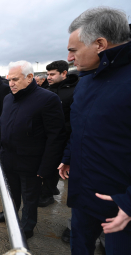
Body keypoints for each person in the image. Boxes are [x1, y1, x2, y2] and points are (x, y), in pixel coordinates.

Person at [58, 7, 131, 254]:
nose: (70, 59)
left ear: (100, 44)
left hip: (126, 209)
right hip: (85, 196)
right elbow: (82, 125)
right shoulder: (87, 80)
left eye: (73, 50)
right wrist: (68, 157)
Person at [0, 61, 65, 240]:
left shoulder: (48, 99)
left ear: (30, 77)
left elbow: (56, 136)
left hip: (31, 163)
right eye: (9, 80)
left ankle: (27, 227)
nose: (11, 84)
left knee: (30, 198)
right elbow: (2, 127)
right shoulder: (8, 98)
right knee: (11, 193)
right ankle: (9, 214)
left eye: (15, 79)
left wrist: (46, 168)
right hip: (8, 158)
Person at [38, 60, 79, 209]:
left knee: (56, 165)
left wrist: (63, 129)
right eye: (48, 74)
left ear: (64, 73)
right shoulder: (47, 90)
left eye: (52, 74)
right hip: (48, 136)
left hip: (66, 136)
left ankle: (47, 195)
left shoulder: (74, 91)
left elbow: (76, 117)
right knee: (50, 163)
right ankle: (50, 189)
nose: (49, 77)